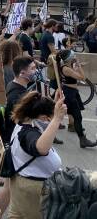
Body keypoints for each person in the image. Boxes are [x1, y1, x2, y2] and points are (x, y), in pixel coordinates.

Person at [8, 91, 65, 219]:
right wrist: (56, 119)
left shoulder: (23, 122)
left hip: (24, 186)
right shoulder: (28, 134)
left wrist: (54, 105)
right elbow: (41, 148)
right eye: (49, 118)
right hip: (32, 189)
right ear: (44, 118)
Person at [57, 49, 97, 148]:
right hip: (69, 93)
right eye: (72, 54)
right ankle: (82, 140)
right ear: (69, 58)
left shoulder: (67, 66)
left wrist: (78, 65)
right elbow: (83, 78)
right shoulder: (66, 69)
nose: (74, 55)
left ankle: (81, 138)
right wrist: (79, 67)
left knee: (75, 116)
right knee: (77, 117)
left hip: (72, 92)